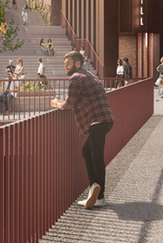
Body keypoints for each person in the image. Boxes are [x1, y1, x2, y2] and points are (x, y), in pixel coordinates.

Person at [50, 52, 115, 209]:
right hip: (105, 120)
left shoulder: (75, 78)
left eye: (68, 63)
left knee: (96, 157)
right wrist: (63, 102)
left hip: (96, 121)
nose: (65, 66)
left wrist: (56, 104)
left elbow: (69, 105)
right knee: (87, 152)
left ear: (77, 64)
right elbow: (75, 99)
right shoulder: (89, 75)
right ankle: (95, 187)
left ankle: (99, 195)